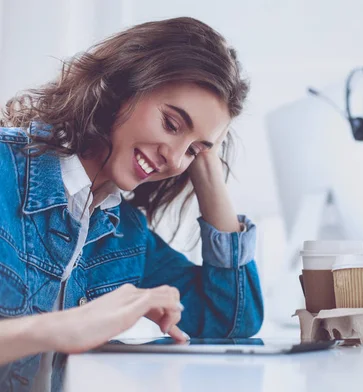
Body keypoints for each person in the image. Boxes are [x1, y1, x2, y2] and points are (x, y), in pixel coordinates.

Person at [0, 16, 263, 391]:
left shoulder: (125, 234)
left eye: (192, 149)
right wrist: (62, 328)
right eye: (171, 124)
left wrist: (207, 167)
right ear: (122, 87)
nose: (174, 160)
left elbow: (234, 319)